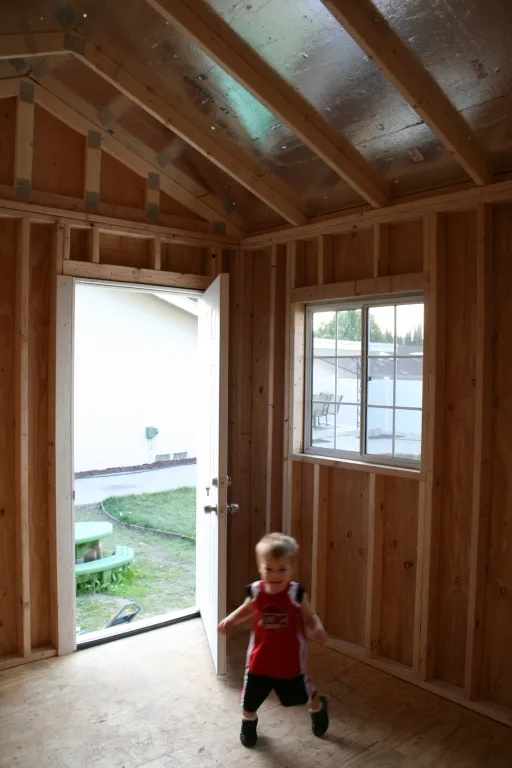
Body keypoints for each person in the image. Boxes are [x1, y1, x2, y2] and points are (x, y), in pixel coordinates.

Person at [218, 532, 329, 748]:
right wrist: (231, 619)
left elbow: (309, 617)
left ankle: (318, 706)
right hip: (259, 660)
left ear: (291, 569)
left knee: (293, 698)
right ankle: (248, 723)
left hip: (289, 663)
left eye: (281, 569)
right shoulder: (257, 591)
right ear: (260, 568)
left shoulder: (295, 594)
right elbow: (246, 609)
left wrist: (317, 628)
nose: (274, 575)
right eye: (268, 569)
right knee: (249, 700)